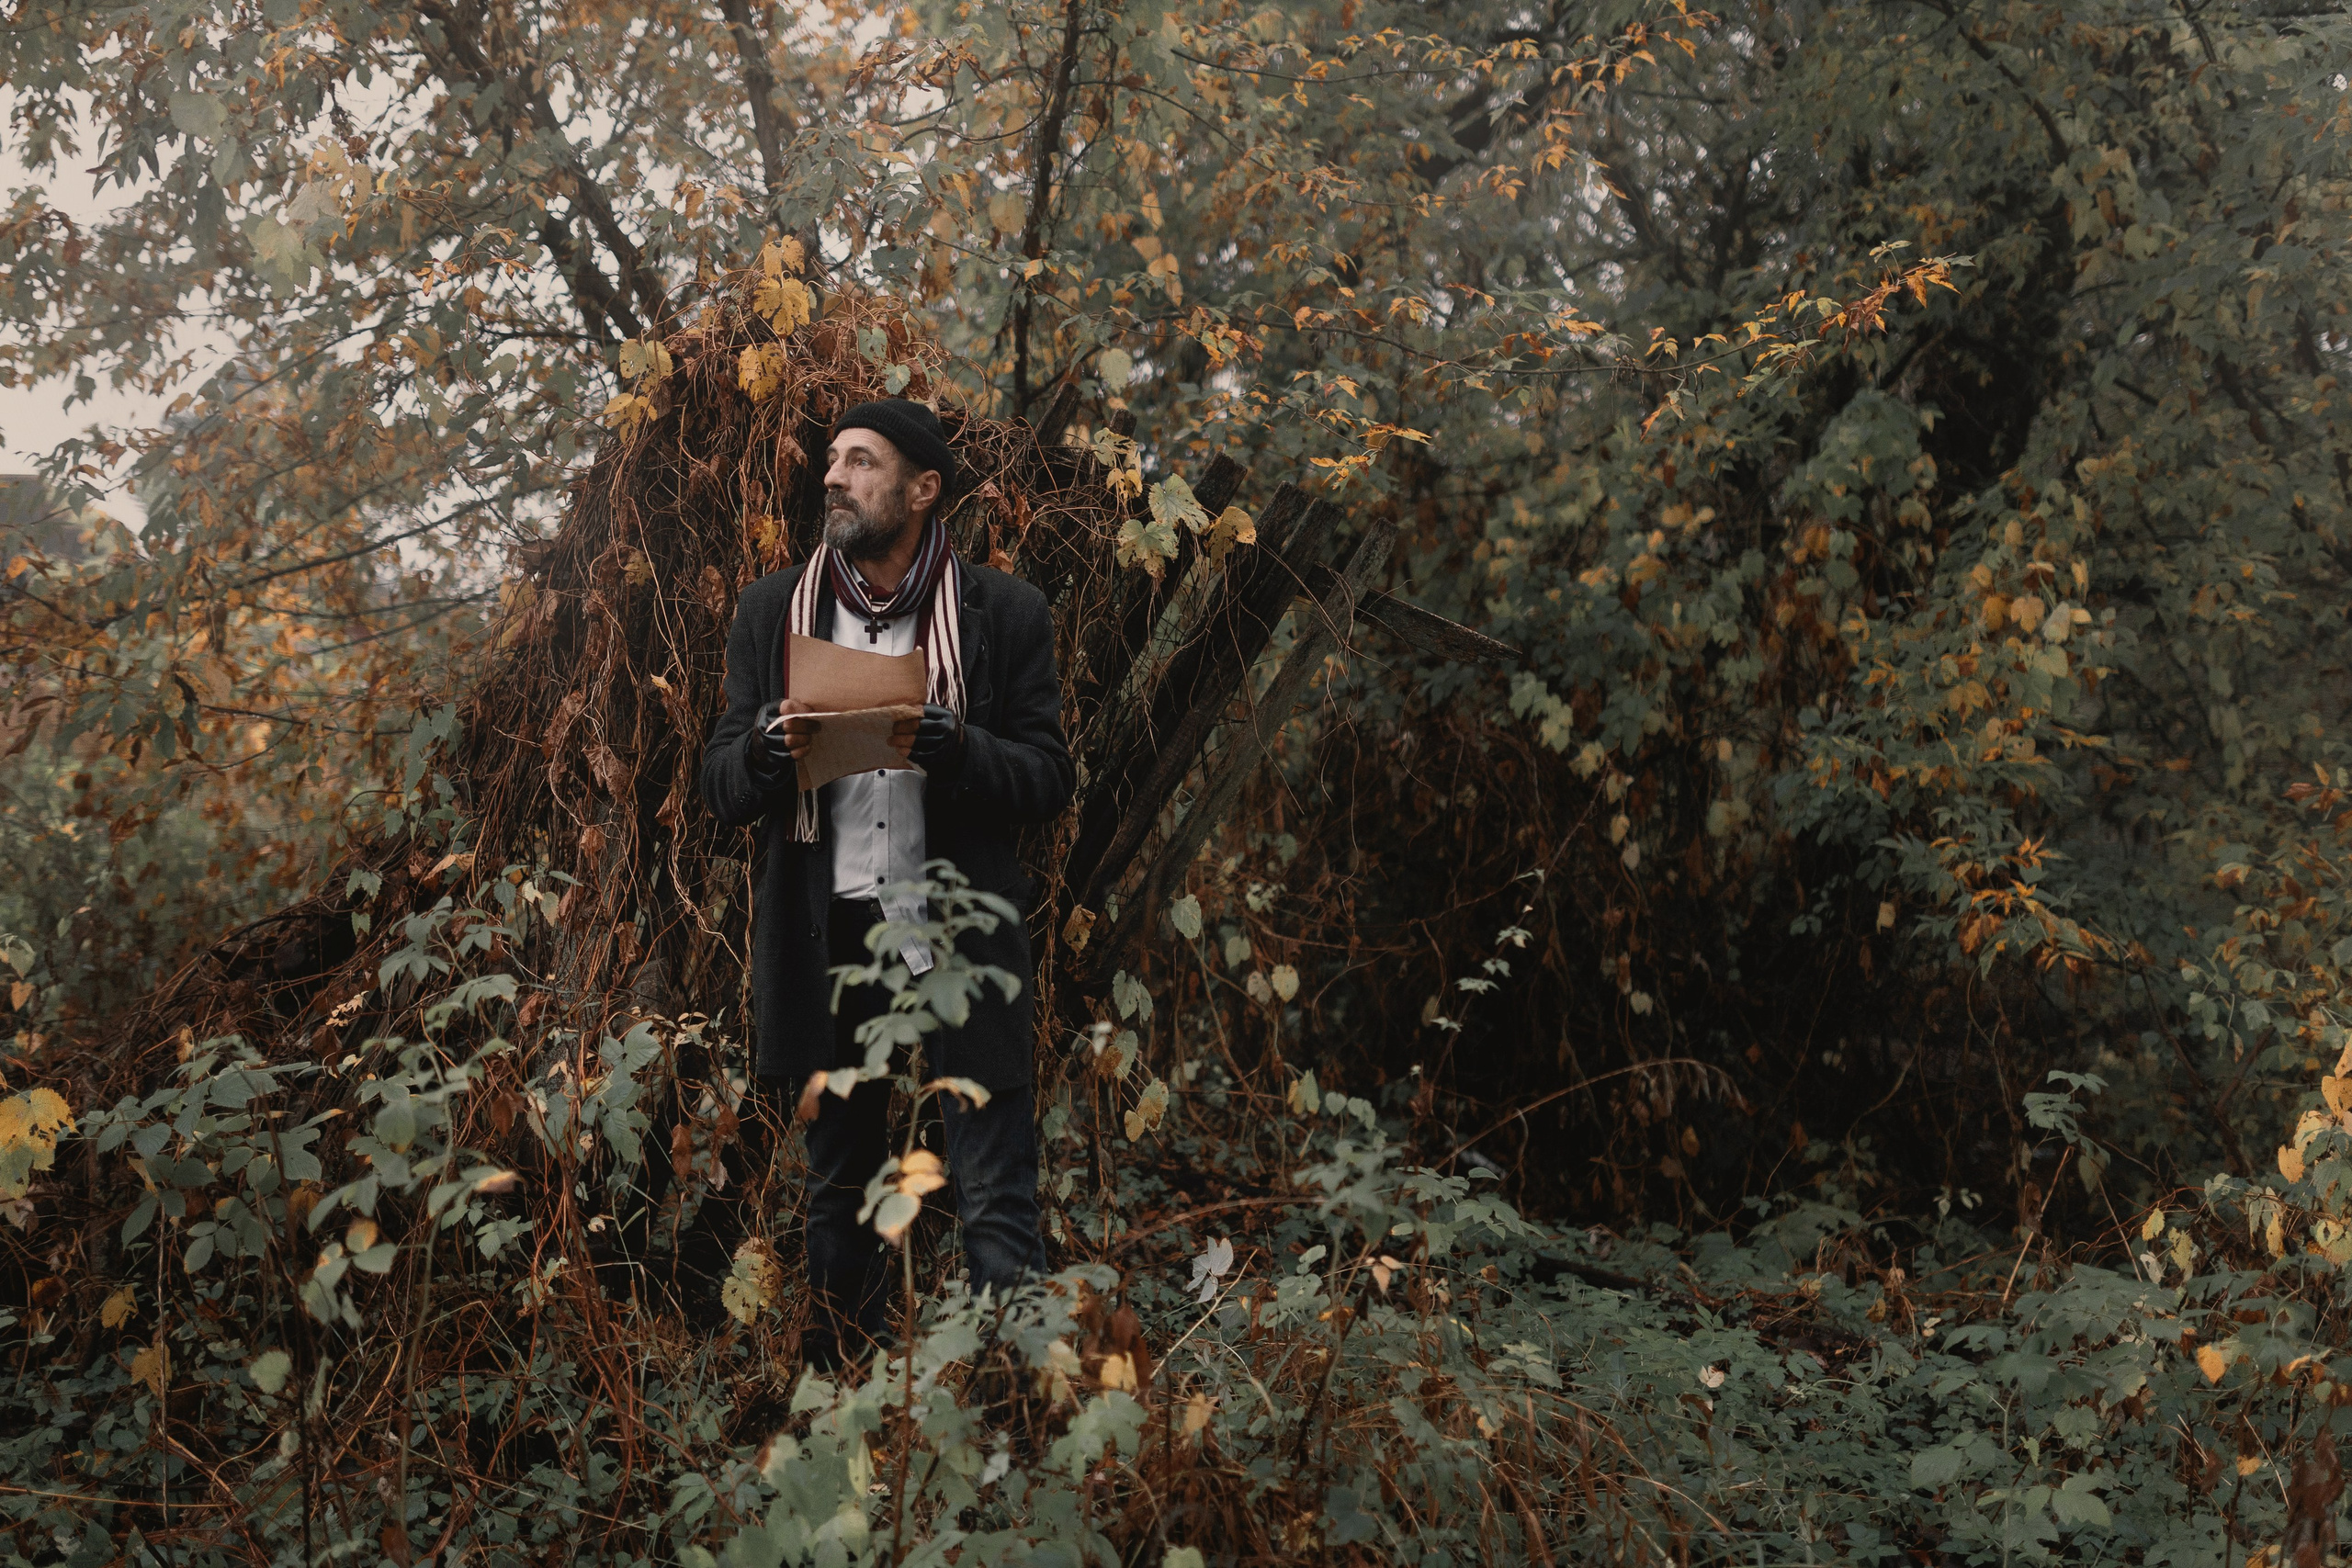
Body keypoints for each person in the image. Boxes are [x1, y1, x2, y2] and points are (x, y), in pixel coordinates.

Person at [699, 398, 1072, 1369]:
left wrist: (960, 748)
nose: (833, 477)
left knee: (994, 1187)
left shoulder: (1004, 613)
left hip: (951, 933)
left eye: (860, 462)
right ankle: (839, 1408)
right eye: (831, 460)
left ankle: (1011, 1416)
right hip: (829, 940)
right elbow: (719, 783)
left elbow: (1046, 777)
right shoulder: (770, 611)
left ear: (922, 488)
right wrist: (770, 754)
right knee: (838, 1193)